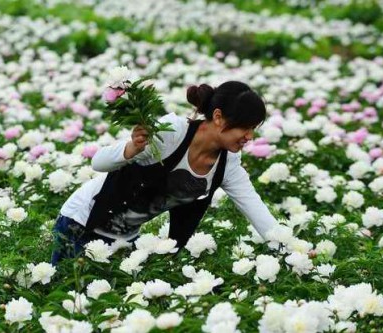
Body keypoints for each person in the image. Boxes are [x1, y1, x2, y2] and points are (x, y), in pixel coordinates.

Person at [50, 81, 279, 265]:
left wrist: (289, 248)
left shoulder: (227, 163)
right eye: (245, 127)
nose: (249, 137)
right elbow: (98, 162)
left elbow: (254, 207)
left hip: (126, 238)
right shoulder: (173, 132)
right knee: (67, 298)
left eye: (253, 129)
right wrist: (132, 149)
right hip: (81, 223)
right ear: (218, 117)